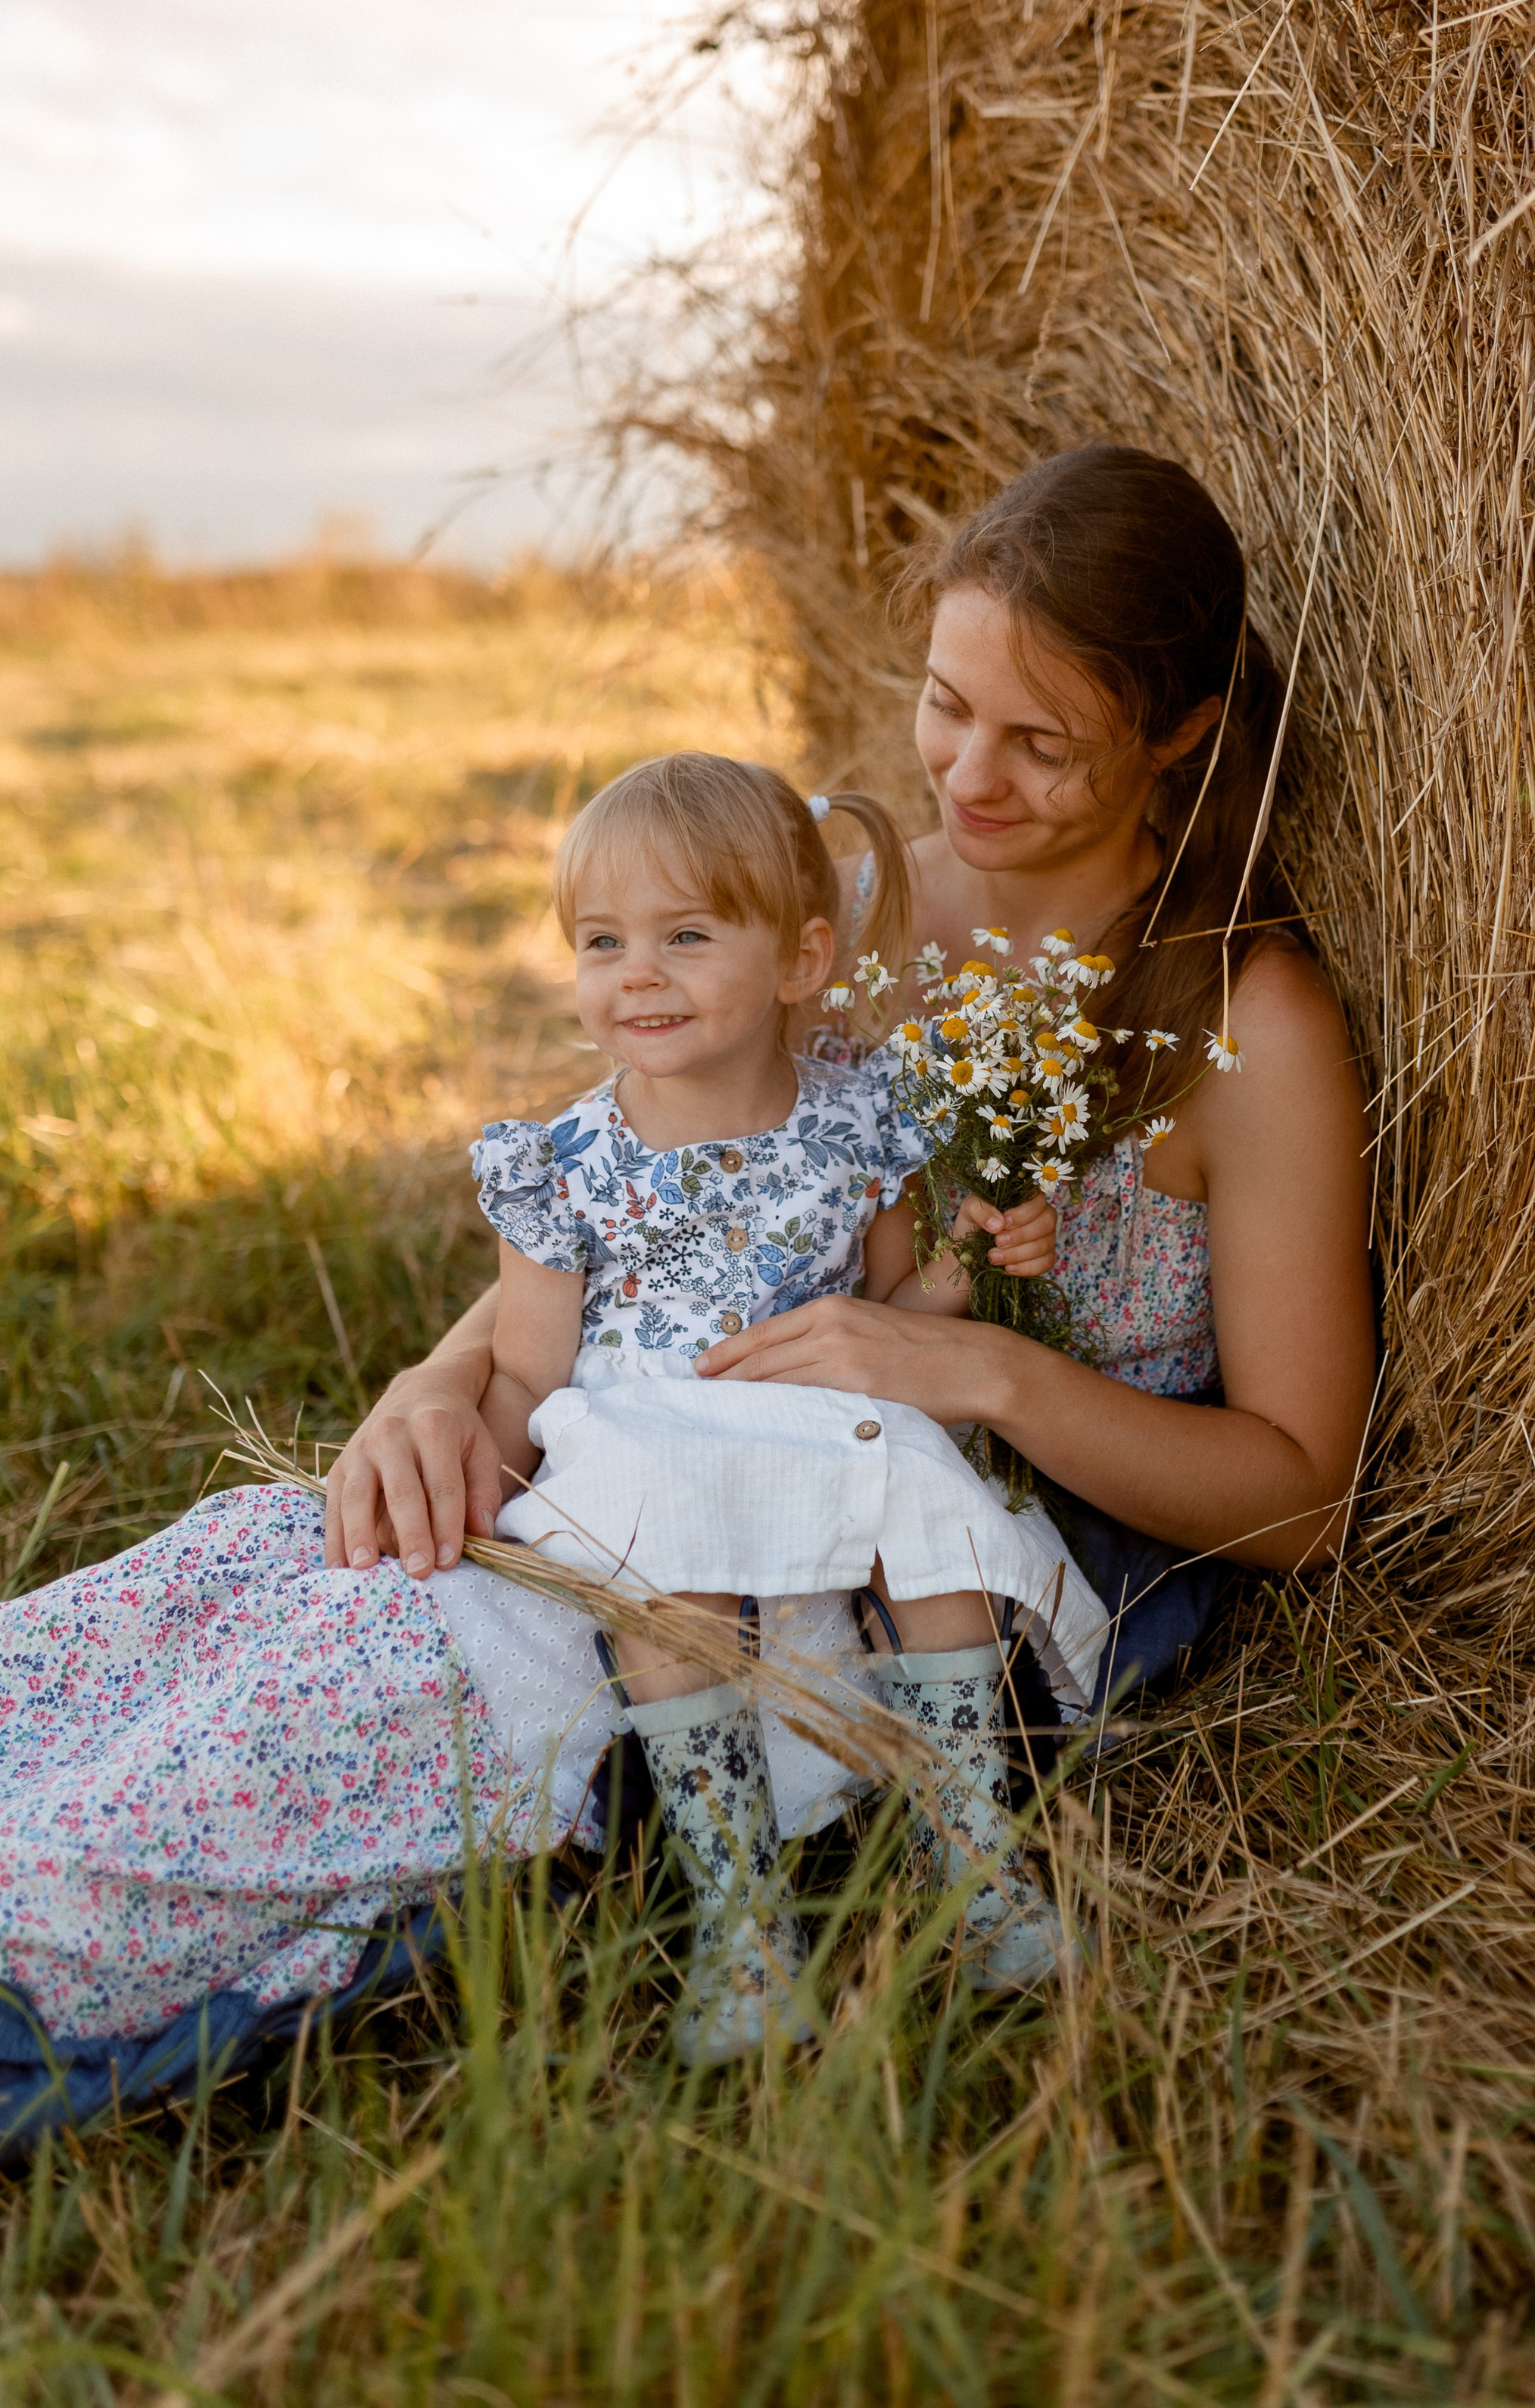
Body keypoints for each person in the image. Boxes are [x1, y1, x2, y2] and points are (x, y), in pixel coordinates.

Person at [0, 441, 1374, 2138]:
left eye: (1043, 741)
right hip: (645, 1425)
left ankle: (51, 1928)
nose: (968, 776)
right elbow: (648, 1180)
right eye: (947, 706)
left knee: (349, 1705)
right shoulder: (848, 909)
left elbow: (1301, 1496)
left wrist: (976, 1377)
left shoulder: (1247, 1020)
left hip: (885, 1556)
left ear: (1174, 732)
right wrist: (441, 1385)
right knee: (248, 1573)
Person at [458, 747, 1101, 2059]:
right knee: (659, 1541)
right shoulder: (562, 1161)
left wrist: (976, 1257)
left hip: (820, 1404)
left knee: (927, 1496)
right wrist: (479, 1472)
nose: (636, 971)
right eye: (601, 940)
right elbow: (529, 1371)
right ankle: (742, 1920)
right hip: (652, 1424)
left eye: (686, 936)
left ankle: (974, 1864)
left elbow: (896, 1324)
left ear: (801, 961)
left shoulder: (856, 1122)